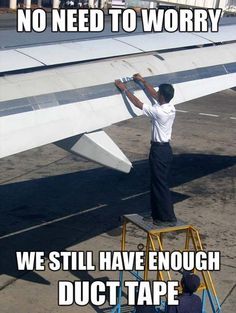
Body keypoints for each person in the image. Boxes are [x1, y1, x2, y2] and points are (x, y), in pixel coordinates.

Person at [115, 74, 176, 225]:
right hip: (165, 150)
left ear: (162, 96)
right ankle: (156, 212)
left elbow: (137, 103)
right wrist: (142, 81)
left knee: (160, 184)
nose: (157, 94)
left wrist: (124, 89)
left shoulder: (159, 112)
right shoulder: (169, 107)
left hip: (159, 151)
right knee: (157, 182)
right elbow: (154, 94)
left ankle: (168, 218)